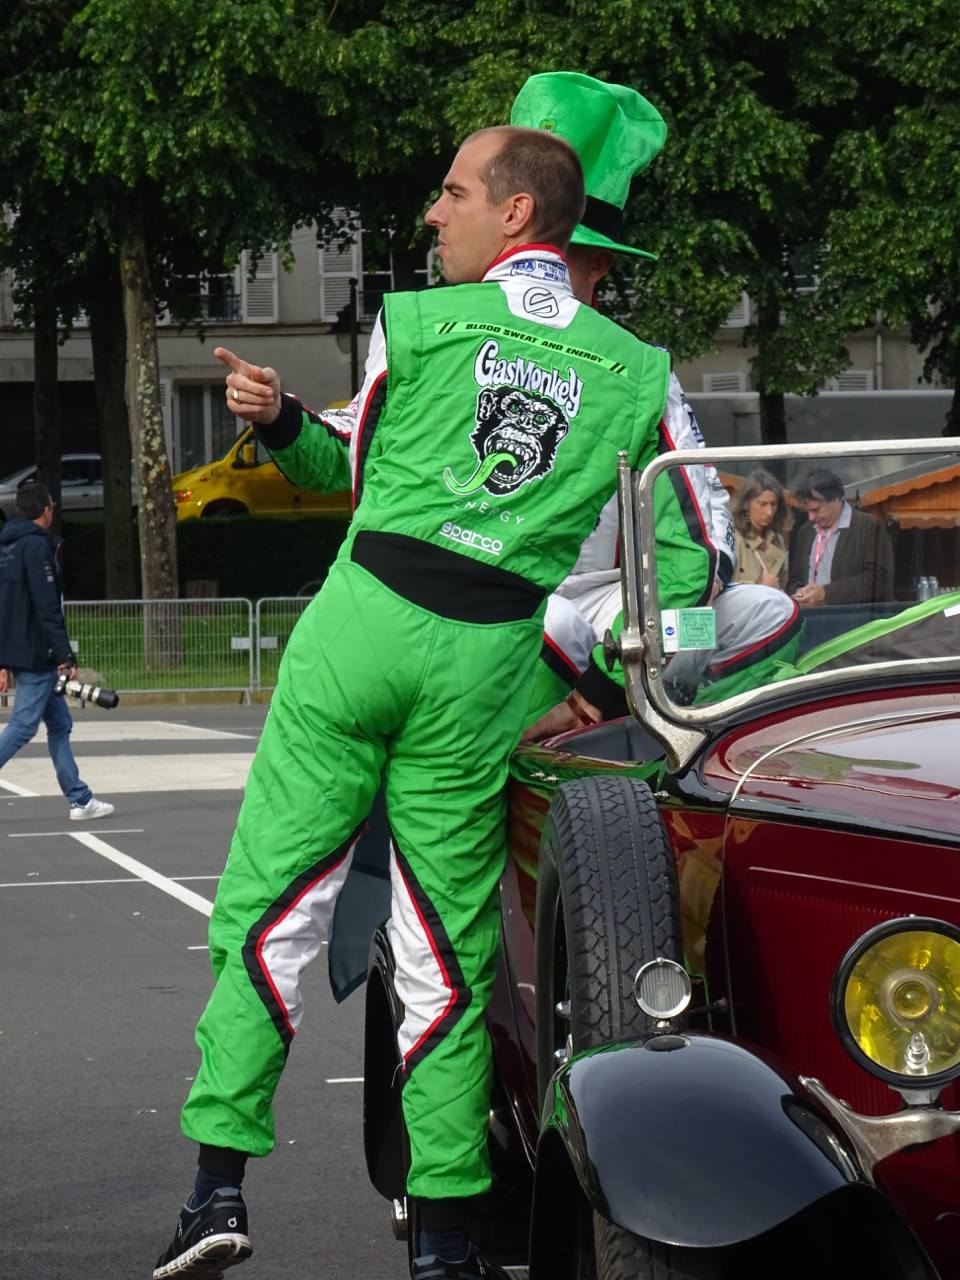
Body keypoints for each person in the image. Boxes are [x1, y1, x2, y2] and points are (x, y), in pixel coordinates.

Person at [154, 111, 715, 1280]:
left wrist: (291, 429)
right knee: (445, 956)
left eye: (453, 192)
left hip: (357, 632)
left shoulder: (410, 321)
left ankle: (216, 1189)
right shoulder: (640, 371)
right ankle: (447, 1246)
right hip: (489, 665)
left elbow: (357, 477)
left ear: (518, 210)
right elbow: (696, 567)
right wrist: (586, 669)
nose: (431, 211)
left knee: (269, 909)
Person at [508, 73, 801, 733]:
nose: (535, 279)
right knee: (552, 623)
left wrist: (605, 680)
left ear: (599, 268)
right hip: (509, 608)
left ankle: (629, 724)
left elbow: (704, 538)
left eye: (557, 259)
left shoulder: (638, 370)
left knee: (750, 616)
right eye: (524, 258)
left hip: (620, 614)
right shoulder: (456, 342)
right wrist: (283, 422)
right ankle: (561, 731)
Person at [0, 482, 115, 820]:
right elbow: (47, 605)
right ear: (45, 510)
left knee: (60, 724)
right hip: (38, 652)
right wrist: (65, 654)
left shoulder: (7, 547)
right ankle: (80, 799)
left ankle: (80, 799)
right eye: (51, 505)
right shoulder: (37, 547)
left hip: (19, 648)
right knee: (23, 726)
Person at [787, 467, 894, 606]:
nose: (811, 517)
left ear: (835, 499)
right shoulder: (806, 531)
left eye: (816, 510)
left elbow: (880, 580)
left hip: (852, 616)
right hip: (811, 615)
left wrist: (826, 593)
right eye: (807, 511)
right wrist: (800, 593)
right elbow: (794, 579)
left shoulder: (868, 527)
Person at [731, 468, 791, 589]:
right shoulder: (734, 539)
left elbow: (783, 581)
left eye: (773, 504)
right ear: (746, 504)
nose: (769, 512)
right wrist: (760, 588)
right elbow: (724, 587)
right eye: (762, 504)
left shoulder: (777, 539)